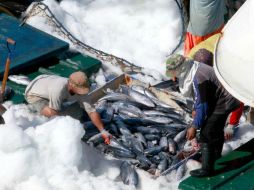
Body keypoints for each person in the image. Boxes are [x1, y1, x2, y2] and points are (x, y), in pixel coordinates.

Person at [166, 54, 240, 177]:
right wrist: (196, 111)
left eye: (174, 72)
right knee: (214, 128)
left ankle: (207, 169)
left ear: (182, 68)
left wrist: (195, 126)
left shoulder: (199, 77)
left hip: (225, 101)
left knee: (207, 132)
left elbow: (203, 105)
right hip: (220, 97)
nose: (174, 75)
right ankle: (214, 157)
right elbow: (201, 99)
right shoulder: (193, 67)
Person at [25, 71, 111, 144]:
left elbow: (92, 111)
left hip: (45, 83)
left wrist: (103, 131)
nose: (81, 92)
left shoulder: (80, 91)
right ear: (70, 84)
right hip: (34, 94)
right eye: (79, 89)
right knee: (51, 113)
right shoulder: (58, 89)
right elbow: (54, 115)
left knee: (78, 111)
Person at [193, 48, 244, 140]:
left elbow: (238, 98)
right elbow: (200, 95)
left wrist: (231, 125)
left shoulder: (227, 75)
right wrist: (195, 109)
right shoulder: (197, 72)